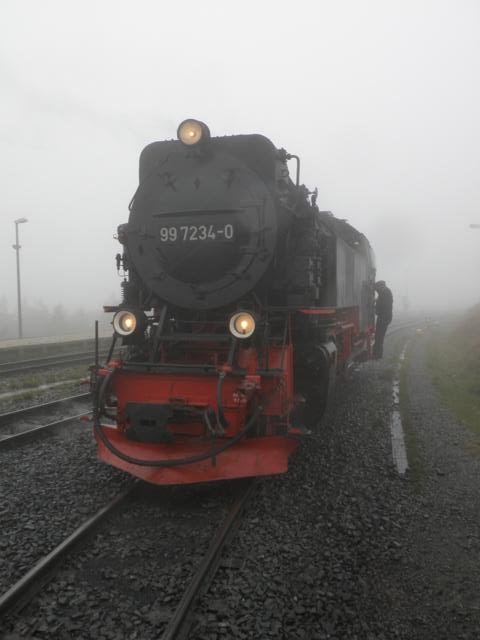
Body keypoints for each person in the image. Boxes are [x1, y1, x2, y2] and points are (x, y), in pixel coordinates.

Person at [373, 280, 393, 359]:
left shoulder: (386, 293)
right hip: (384, 317)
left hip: (383, 318)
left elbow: (382, 305)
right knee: (379, 336)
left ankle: (377, 355)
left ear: (382, 286)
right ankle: (377, 354)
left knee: (379, 336)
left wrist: (375, 304)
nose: (377, 290)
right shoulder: (385, 292)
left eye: (378, 287)